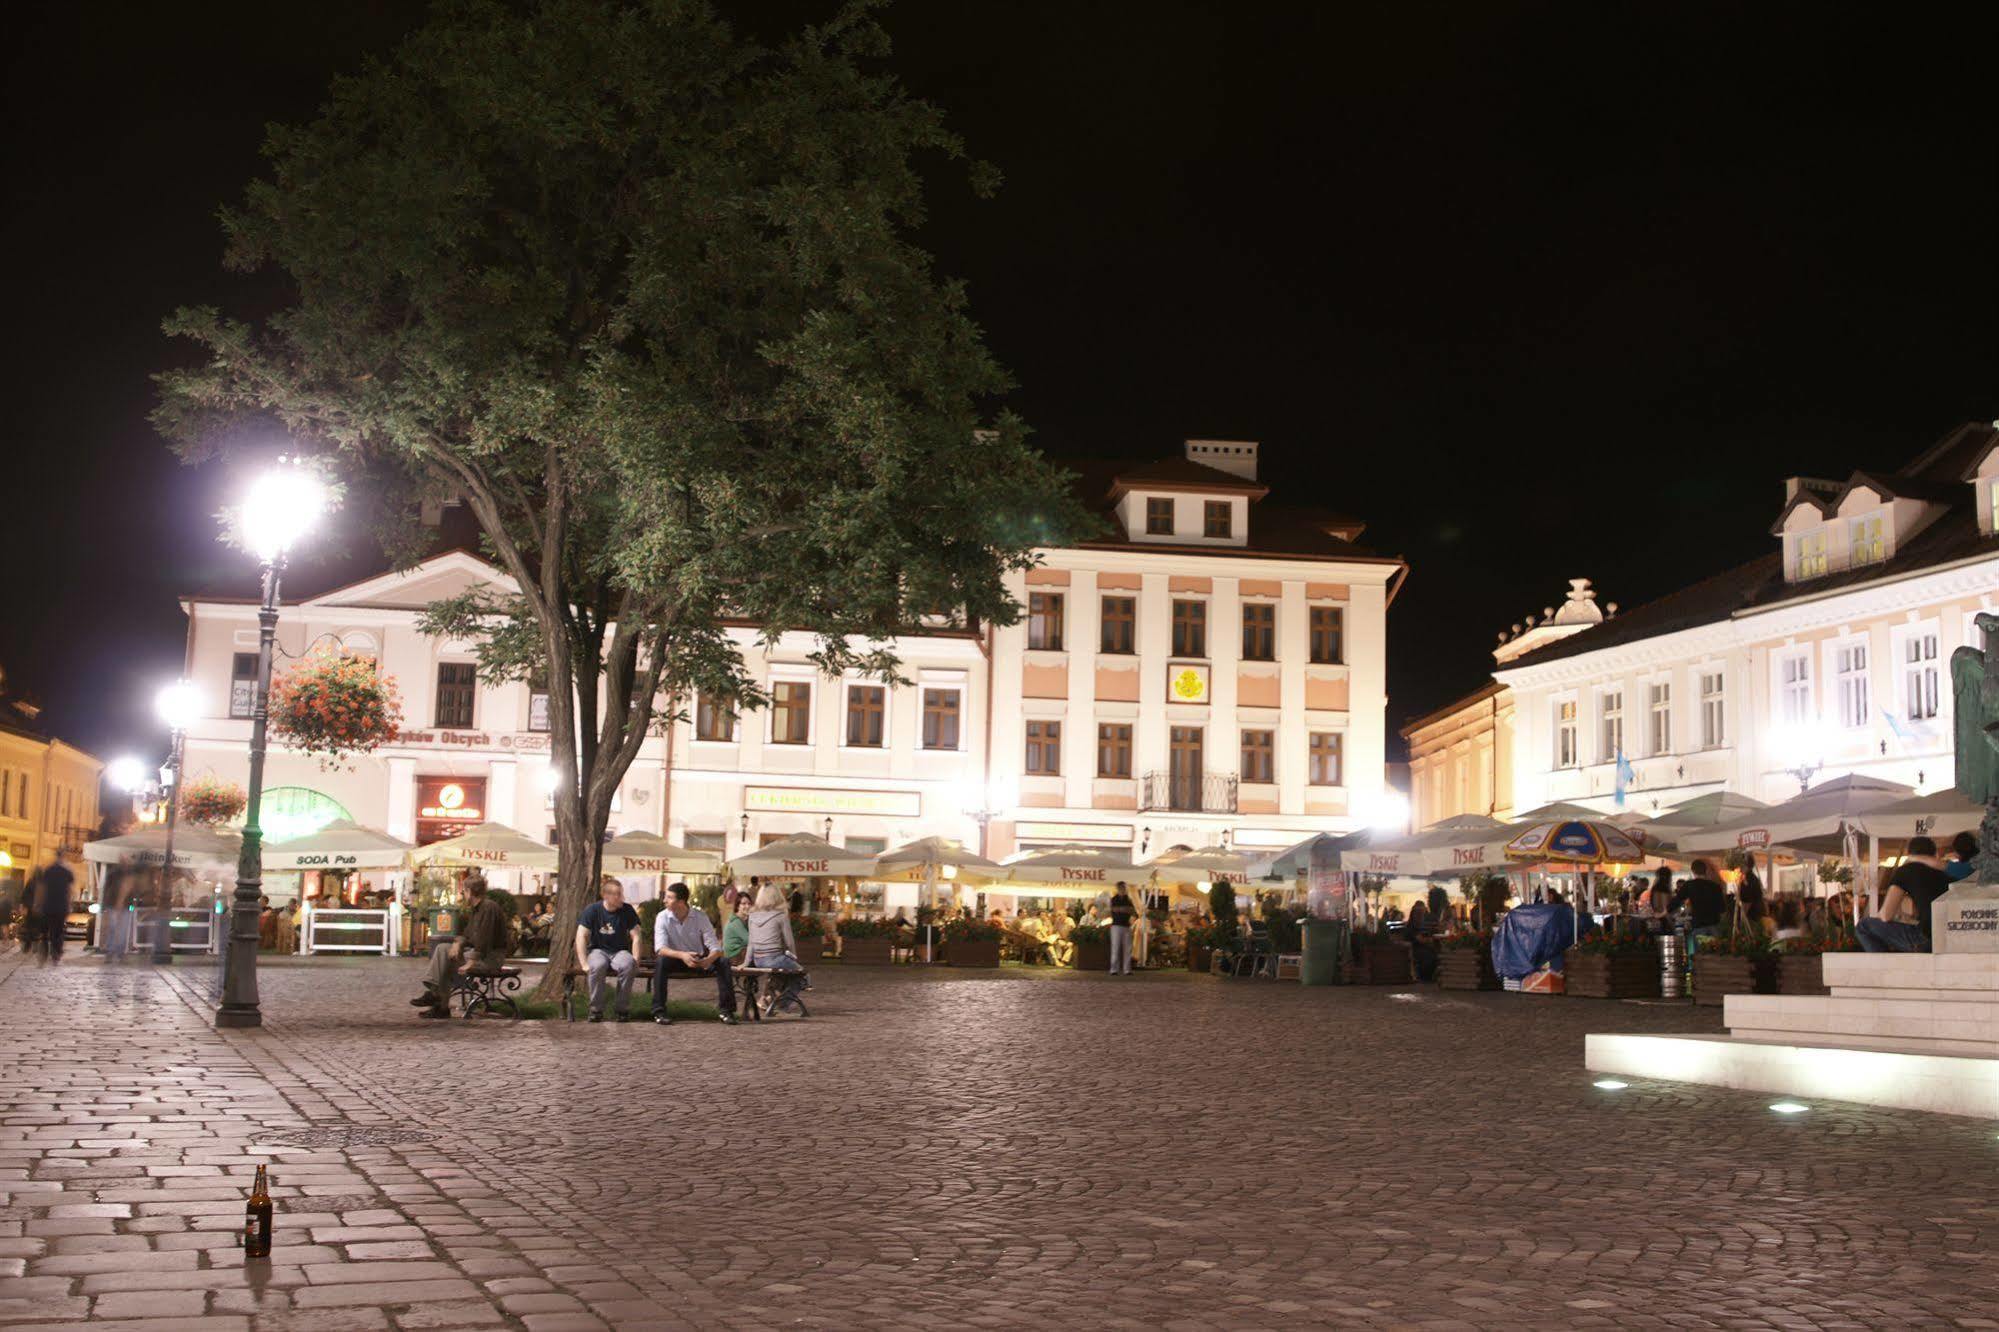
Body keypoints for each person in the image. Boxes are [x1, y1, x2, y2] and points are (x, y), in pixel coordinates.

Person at [411, 874, 509, 1018]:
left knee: (446, 959)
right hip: (478, 954)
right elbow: (467, 935)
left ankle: (438, 1000)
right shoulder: (476, 910)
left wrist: (471, 962)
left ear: (470, 891)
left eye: (463, 891)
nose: (462, 894)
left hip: (490, 958)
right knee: (443, 949)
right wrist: (457, 944)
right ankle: (438, 1000)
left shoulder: (488, 908)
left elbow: (484, 940)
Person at [651, 882, 737, 1026]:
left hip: (698, 960)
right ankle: (658, 1011)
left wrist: (708, 960)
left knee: (723, 962)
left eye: (669, 897)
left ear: (681, 902)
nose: (664, 900)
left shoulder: (700, 917)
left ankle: (726, 1011)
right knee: (661, 961)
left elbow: (716, 947)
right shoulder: (662, 917)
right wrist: (682, 955)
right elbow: (660, 948)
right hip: (676, 959)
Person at [1857, 835, 1952, 953]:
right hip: (1950, 937)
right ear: (1934, 854)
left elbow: (1886, 915)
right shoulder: (1945, 872)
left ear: (1909, 853)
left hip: (1925, 939)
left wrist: (1878, 920)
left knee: (1864, 926)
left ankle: (1883, 967)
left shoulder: (1906, 870)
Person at [576, 877, 641, 1022]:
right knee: (597, 966)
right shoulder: (592, 910)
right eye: (618, 894)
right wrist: (584, 963)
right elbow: (581, 936)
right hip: (598, 950)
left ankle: (622, 1009)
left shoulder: (627, 910)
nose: (621, 898)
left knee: (628, 964)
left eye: (621, 894)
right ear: (606, 896)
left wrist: (636, 959)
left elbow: (636, 936)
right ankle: (595, 1010)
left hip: (620, 951)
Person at [746, 884, 806, 1013]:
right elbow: (789, 942)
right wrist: (794, 958)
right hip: (774, 958)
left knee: (782, 974)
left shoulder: (752, 915)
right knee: (802, 975)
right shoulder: (780, 916)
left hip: (758, 959)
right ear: (777, 896)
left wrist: (746, 962)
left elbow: (751, 942)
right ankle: (781, 1004)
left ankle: (767, 999)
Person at [36, 848, 75, 966]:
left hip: (48, 905)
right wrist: (69, 905)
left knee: (45, 931)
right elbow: (70, 890)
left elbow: (41, 888)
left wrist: (38, 903)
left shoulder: (48, 870)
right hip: (61, 906)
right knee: (58, 932)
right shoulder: (67, 872)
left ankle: (43, 955)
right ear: (63, 856)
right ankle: (55, 955)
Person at [1669, 859, 1727, 937]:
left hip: (1699, 926)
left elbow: (1677, 900)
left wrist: (1667, 910)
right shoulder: (1715, 886)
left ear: (1693, 871)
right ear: (1706, 870)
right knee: (1716, 948)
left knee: (1699, 948)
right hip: (1714, 926)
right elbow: (1722, 908)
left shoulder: (1689, 885)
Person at [1106, 881, 1137, 975]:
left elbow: (1132, 910)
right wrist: (1122, 909)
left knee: (1128, 948)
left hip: (1126, 925)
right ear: (1118, 889)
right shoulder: (1114, 899)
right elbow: (1111, 909)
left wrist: (1121, 909)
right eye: (1121, 888)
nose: (1123, 890)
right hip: (1116, 925)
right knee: (1116, 947)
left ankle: (1127, 969)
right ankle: (1114, 969)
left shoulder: (1128, 899)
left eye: (1124, 888)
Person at [722, 890, 752, 965]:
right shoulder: (736, 922)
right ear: (737, 906)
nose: (747, 906)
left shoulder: (743, 919)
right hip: (734, 957)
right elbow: (749, 940)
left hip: (738, 954)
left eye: (749, 903)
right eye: (744, 904)